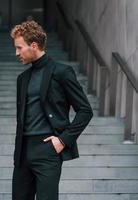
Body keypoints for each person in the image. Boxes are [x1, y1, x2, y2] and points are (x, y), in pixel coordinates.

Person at [10, 20, 93, 200]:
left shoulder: (61, 72)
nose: (16, 53)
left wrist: (63, 140)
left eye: (19, 48)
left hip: (47, 148)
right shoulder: (22, 78)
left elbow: (85, 110)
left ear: (34, 45)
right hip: (23, 151)